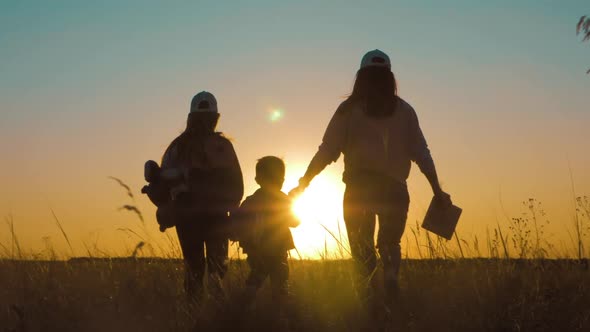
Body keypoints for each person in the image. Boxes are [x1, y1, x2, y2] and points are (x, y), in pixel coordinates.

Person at [290, 50, 452, 303]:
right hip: (395, 190)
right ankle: (389, 284)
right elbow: (422, 153)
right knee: (389, 245)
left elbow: (327, 150)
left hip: (359, 190)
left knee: (362, 249)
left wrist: (304, 182)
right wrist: (436, 190)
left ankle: (368, 298)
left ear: (360, 77)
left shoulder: (348, 110)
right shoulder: (405, 111)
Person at [160, 91, 244, 302]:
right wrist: (233, 215)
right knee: (217, 271)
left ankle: (193, 315)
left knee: (194, 270)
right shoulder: (223, 147)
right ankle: (217, 317)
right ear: (216, 118)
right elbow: (237, 187)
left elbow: (162, 184)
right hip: (216, 218)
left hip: (187, 219)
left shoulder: (176, 147)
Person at [233, 156, 300, 309]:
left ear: (257, 179)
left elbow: (238, 224)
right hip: (278, 249)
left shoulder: (250, 201)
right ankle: (280, 310)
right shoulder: (283, 200)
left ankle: (243, 306)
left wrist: (242, 240)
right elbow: (295, 222)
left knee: (256, 275)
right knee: (280, 278)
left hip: (255, 249)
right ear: (281, 180)